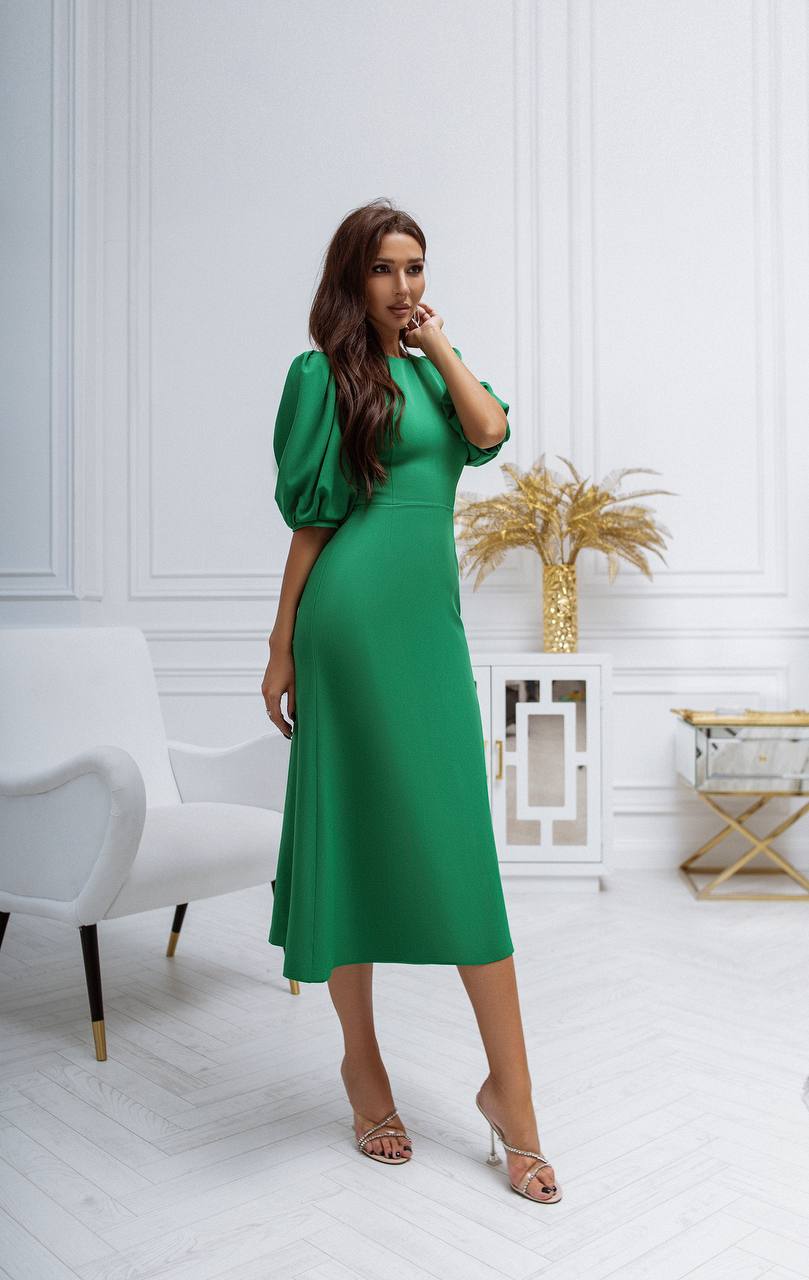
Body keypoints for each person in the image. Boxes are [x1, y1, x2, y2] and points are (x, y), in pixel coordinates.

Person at [261, 199, 560, 1203]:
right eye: (384, 268)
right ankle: (363, 1068)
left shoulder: (437, 367)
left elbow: (490, 431)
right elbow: (310, 525)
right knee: (349, 837)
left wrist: (437, 346)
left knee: (459, 849)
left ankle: (510, 1093)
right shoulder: (321, 377)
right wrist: (280, 645)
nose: (402, 285)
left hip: (428, 632)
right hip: (347, 625)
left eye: (415, 266)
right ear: (353, 277)